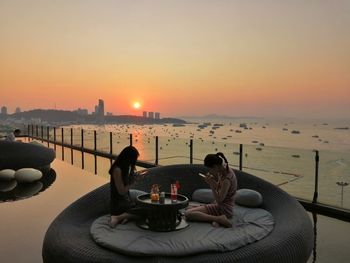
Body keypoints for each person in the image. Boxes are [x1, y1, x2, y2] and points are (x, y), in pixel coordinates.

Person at [185, 152, 237, 227]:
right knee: (188, 206)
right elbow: (220, 188)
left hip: (224, 209)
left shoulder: (227, 179)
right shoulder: (222, 172)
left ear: (215, 167)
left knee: (188, 214)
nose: (210, 171)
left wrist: (211, 185)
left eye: (210, 169)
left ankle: (218, 219)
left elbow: (219, 200)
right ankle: (216, 219)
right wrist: (212, 181)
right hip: (218, 205)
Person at [109, 145, 145, 228]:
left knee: (148, 207)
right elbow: (121, 191)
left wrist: (135, 177)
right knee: (145, 211)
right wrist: (133, 182)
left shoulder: (125, 168)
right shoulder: (117, 170)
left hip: (127, 202)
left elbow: (126, 184)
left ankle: (127, 217)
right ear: (128, 159)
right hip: (118, 205)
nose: (133, 163)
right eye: (133, 160)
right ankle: (118, 217)